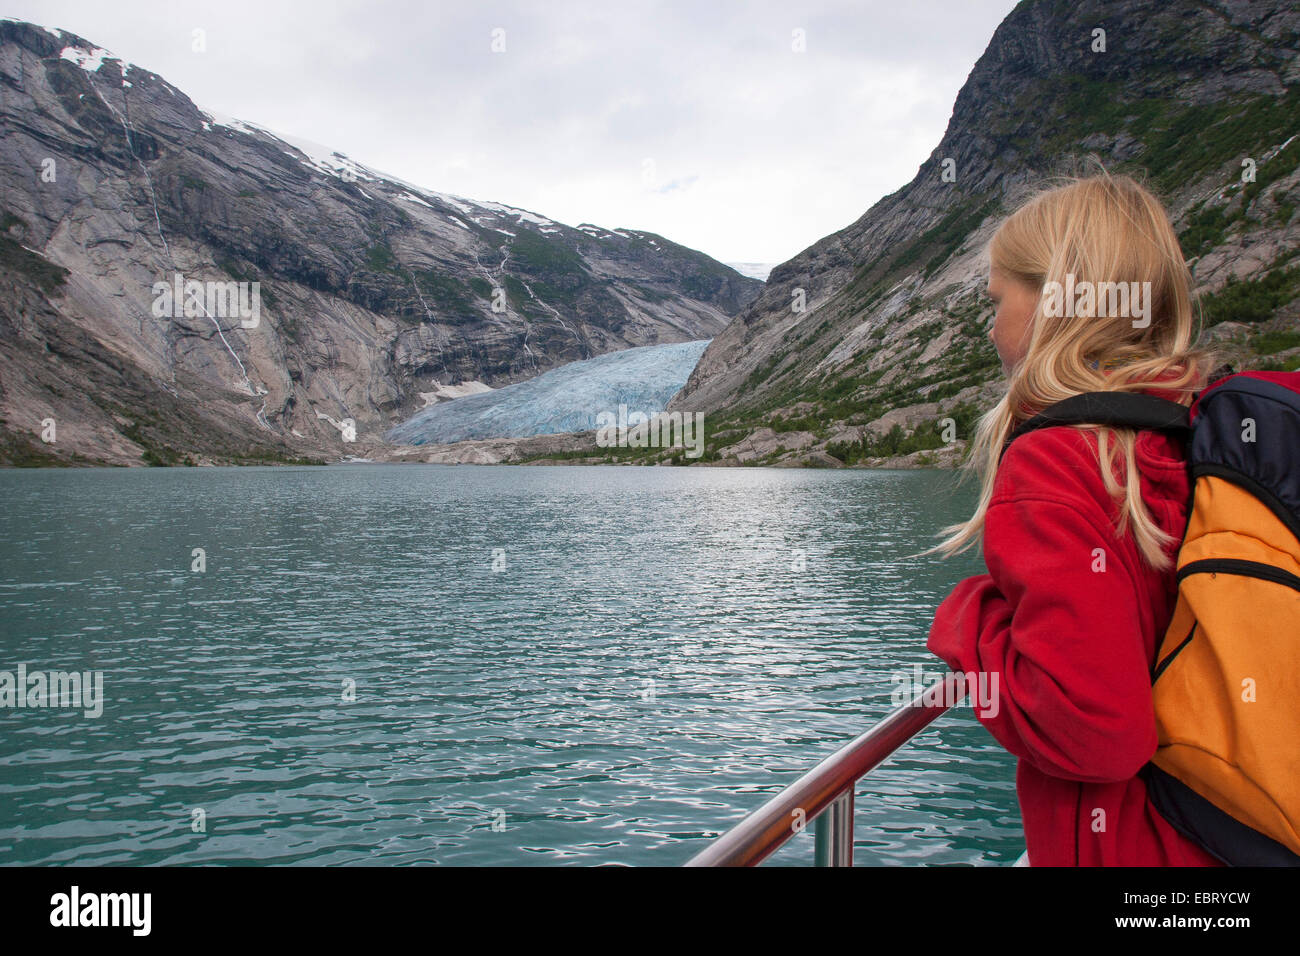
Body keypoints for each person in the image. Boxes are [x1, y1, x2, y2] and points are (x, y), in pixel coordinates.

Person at [922, 171, 1223, 866]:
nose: (991, 326)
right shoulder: (1193, 431)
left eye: (998, 300)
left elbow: (1093, 731)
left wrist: (968, 616)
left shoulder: (1056, 461)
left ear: (1056, 302)